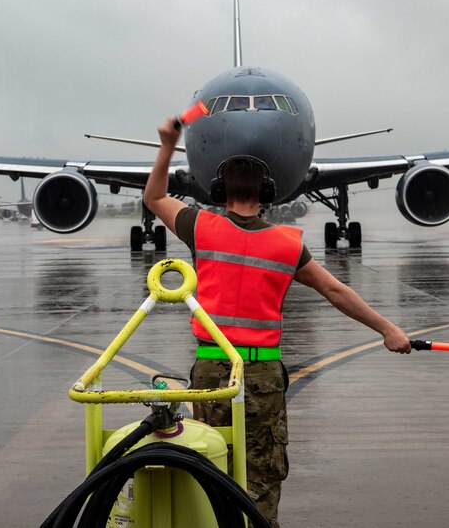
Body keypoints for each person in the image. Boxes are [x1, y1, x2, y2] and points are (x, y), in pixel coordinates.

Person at [143, 116, 411, 527]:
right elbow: (336, 291)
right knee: (262, 477)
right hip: (262, 375)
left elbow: (155, 197)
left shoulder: (201, 227)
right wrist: (388, 329)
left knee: (212, 465)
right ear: (268, 195)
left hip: (211, 370)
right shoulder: (287, 244)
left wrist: (166, 146)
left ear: (219, 192)